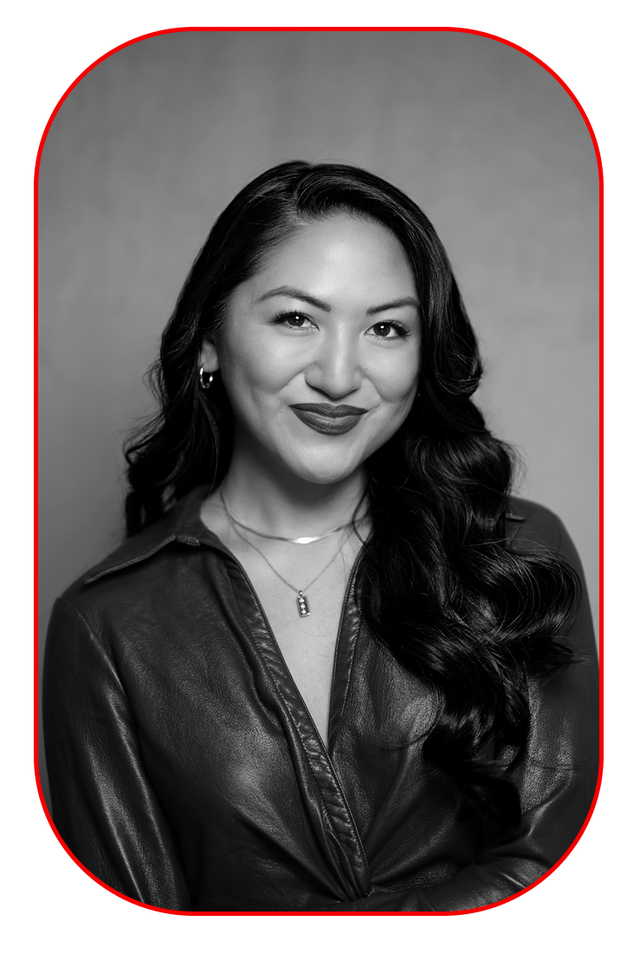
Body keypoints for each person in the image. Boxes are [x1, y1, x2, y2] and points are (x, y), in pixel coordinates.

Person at [43, 160, 598, 913]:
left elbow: (564, 863)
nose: (340, 375)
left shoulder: (517, 555)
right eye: (296, 318)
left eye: (385, 328)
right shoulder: (104, 622)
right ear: (209, 340)